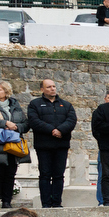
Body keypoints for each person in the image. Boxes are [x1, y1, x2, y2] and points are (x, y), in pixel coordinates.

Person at [25, 78, 75, 209]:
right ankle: (46, 204)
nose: (52, 89)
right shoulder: (35, 104)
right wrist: (52, 130)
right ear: (42, 89)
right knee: (45, 175)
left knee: (59, 175)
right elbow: (34, 121)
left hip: (61, 145)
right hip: (44, 145)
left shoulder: (66, 105)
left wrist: (60, 130)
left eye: (53, 86)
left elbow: (71, 120)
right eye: (48, 87)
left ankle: (57, 203)